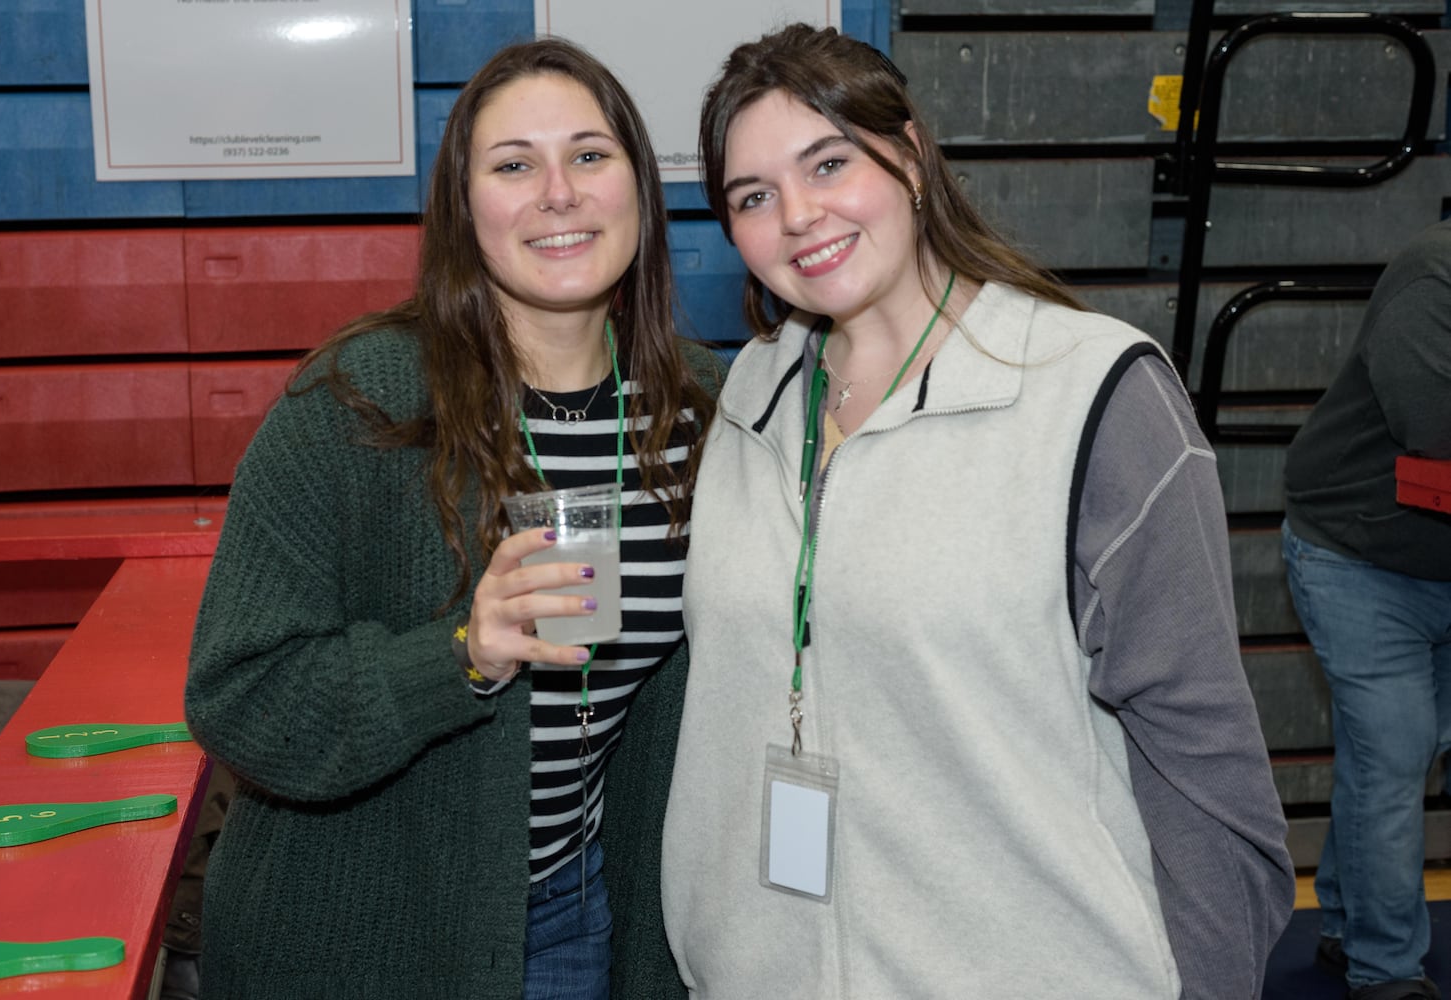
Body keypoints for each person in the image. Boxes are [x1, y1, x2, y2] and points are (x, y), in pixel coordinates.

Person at [661, 23, 1294, 999]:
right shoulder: (748, 398)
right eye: (753, 195)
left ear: (910, 156)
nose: (796, 214)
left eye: (827, 162)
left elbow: (1206, 772)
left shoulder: (1088, 391)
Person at [184, 37, 720, 1000]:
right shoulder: (360, 403)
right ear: (463, 210)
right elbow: (242, 698)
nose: (559, 192)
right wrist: (463, 652)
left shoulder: (700, 410)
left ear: (640, 185)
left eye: (590, 155)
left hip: (576, 910)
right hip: (359, 934)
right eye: (514, 165)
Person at [1282, 220, 1451, 1000]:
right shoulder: (1433, 282)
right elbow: (1435, 450)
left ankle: (1347, 924)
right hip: (1356, 557)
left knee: (1401, 753)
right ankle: (1388, 970)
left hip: (1435, 559)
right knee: (1394, 754)